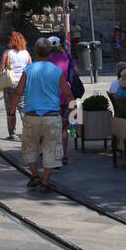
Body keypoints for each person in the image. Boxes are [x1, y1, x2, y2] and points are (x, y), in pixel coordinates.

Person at [9, 38, 73, 193]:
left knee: (30, 147)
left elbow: (18, 92)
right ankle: (45, 181)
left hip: (31, 116)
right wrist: (74, 114)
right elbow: (68, 94)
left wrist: (11, 112)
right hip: (52, 116)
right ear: (50, 53)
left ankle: (34, 175)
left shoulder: (28, 70)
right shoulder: (56, 71)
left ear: (35, 53)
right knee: (51, 148)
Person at [46, 36, 76, 164]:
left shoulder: (47, 58)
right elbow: (76, 72)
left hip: (51, 95)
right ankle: (64, 156)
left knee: (51, 126)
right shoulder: (67, 57)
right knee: (64, 127)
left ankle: (53, 154)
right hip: (66, 92)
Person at [0, 31, 31, 137]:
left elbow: (1, 70)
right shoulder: (26, 53)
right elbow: (30, 68)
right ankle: (28, 131)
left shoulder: (7, 53)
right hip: (22, 84)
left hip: (9, 84)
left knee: (10, 109)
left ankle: (12, 132)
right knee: (22, 107)